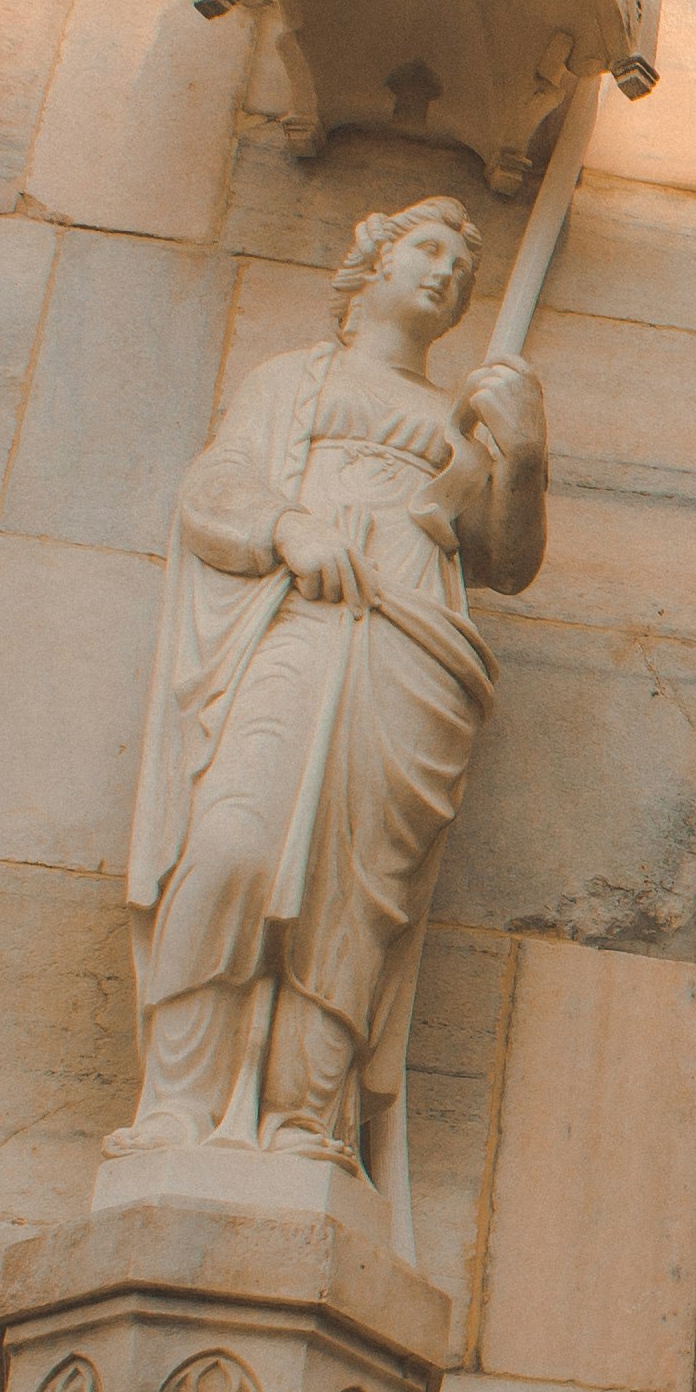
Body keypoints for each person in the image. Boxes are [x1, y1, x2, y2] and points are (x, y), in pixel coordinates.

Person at [112, 196, 549, 1187]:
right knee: (233, 842)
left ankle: (307, 1116)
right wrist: (286, 528)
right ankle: (178, 1099)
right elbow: (211, 488)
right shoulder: (292, 382)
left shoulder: (462, 421)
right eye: (425, 250)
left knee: (358, 890)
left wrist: (523, 456)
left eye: (460, 266)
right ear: (374, 263)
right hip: (301, 620)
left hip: (409, 651)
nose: (443, 272)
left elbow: (505, 559)